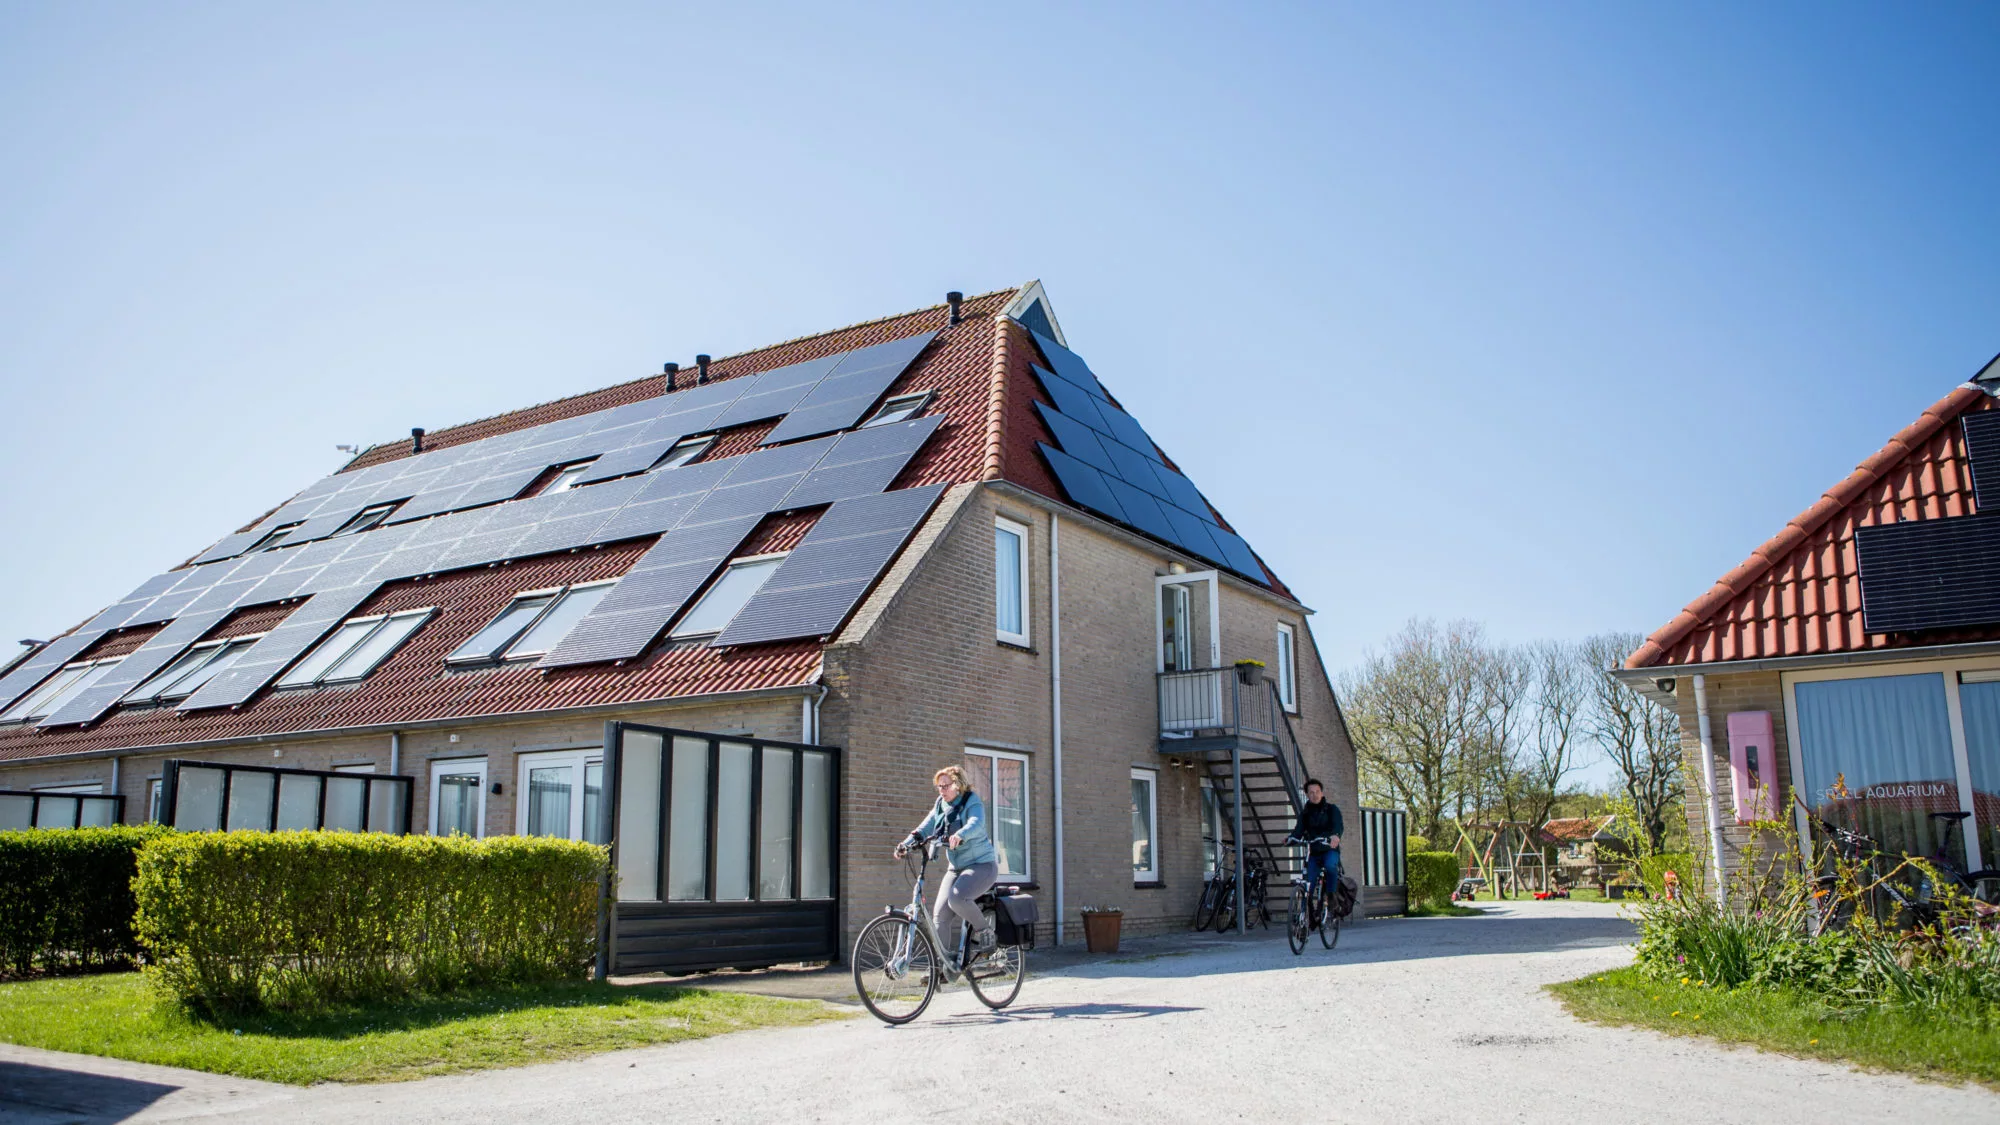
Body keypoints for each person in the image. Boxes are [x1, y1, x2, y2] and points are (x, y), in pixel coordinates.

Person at [896, 765, 999, 960]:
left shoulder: (972, 801)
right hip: (956, 868)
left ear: (958, 785)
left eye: (945, 786)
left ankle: (985, 932)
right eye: (939, 786)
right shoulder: (940, 804)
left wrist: (961, 834)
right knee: (940, 916)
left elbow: (976, 824)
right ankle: (943, 967)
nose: (941, 790)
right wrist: (906, 844)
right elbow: (925, 827)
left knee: (957, 898)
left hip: (981, 865)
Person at [1286, 779, 1344, 912]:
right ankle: (1308, 915)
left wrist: (1335, 835)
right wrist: (1290, 839)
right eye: (1311, 792)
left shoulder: (1331, 809)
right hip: (1313, 852)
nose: (1315, 795)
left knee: (1330, 866)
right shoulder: (1305, 814)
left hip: (1330, 849)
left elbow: (1338, 826)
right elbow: (1298, 831)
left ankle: (1331, 896)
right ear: (1307, 795)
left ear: (1322, 793)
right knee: (1308, 883)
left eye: (1317, 791)